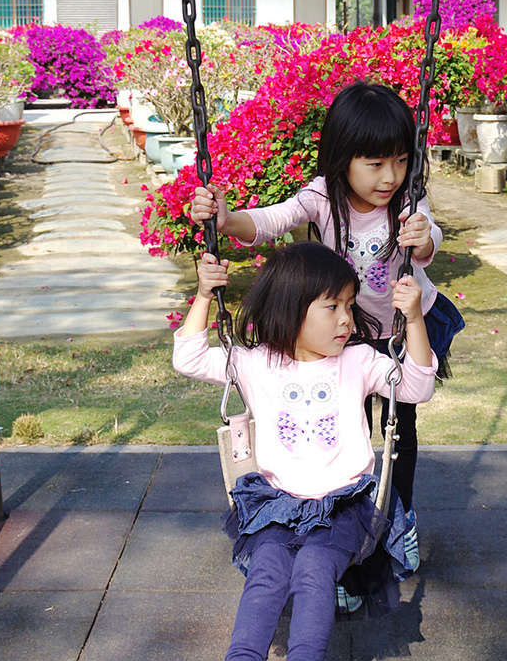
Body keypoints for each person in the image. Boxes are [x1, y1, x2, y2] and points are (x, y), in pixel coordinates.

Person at [190, 81, 464, 579]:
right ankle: (343, 521)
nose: (390, 176)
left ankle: (399, 517)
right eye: (375, 164)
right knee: (348, 425)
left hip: (404, 329)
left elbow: (427, 244)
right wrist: (229, 221)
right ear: (343, 159)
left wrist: (423, 238)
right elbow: (273, 221)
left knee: (401, 428)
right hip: (347, 334)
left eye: (401, 161)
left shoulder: (408, 201)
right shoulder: (322, 197)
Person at [174, 241, 437, 661]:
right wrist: (205, 295)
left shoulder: (358, 360)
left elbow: (418, 386)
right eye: (332, 306)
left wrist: (416, 318)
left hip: (345, 504)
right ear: (291, 309)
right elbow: (186, 357)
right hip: (277, 504)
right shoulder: (253, 363)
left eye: (350, 305)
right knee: (269, 569)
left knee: (315, 567)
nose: (346, 318)